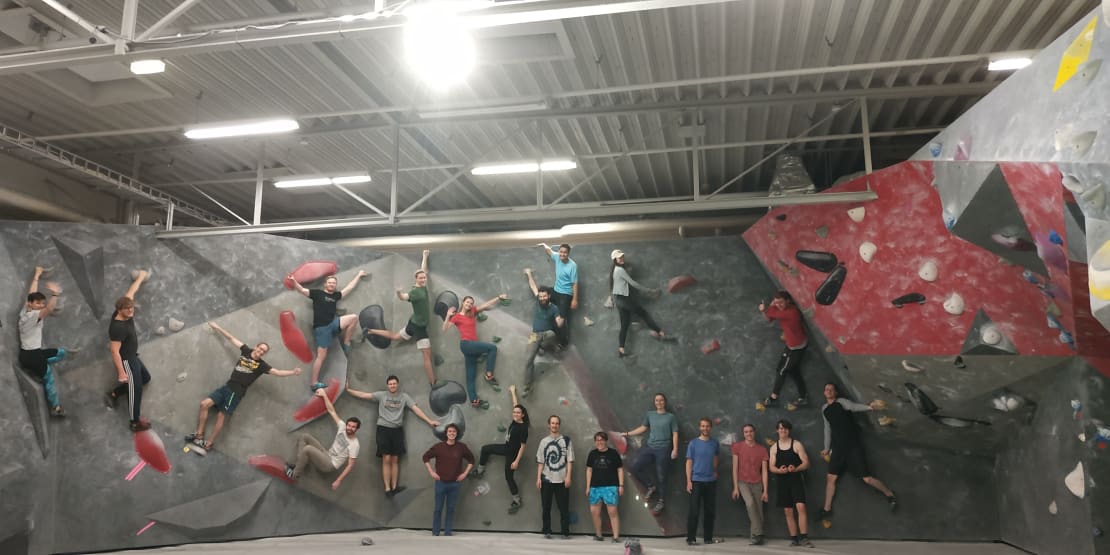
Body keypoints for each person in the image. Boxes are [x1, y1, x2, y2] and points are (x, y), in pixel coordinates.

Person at [186, 322, 302, 451]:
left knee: (221, 415)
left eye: (264, 351)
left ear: (264, 354)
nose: (261, 351)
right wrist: (218, 327)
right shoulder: (246, 350)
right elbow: (232, 338)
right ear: (256, 346)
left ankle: (209, 444)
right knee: (204, 404)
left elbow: (278, 372)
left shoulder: (262, 365)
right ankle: (199, 436)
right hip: (226, 387)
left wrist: (292, 372)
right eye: (261, 348)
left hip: (236, 393)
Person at [347, 374, 439, 497]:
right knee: (387, 459)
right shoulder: (382, 395)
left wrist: (430, 421)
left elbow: (416, 409)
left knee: (395, 460)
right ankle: (387, 489)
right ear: (387, 385)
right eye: (390, 384)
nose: (392, 385)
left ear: (397, 384)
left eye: (394, 383)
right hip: (383, 429)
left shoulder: (404, 397)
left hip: (397, 430)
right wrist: (348, 390)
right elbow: (364, 395)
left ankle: (395, 487)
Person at [818, 382, 897, 518]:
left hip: (852, 446)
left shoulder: (842, 402)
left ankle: (890, 495)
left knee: (866, 479)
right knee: (831, 478)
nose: (829, 391)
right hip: (837, 448)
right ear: (824, 393)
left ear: (835, 393)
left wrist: (869, 407)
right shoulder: (824, 408)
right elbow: (827, 429)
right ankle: (826, 509)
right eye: (826, 389)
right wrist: (826, 448)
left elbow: (853, 407)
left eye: (831, 389)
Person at [288, 269, 368, 391]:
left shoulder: (335, 296)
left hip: (333, 323)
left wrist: (358, 275)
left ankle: (346, 342)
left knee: (353, 318)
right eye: (330, 282)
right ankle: (314, 383)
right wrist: (294, 282)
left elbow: (349, 288)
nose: (332, 284)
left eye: (334, 283)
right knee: (321, 356)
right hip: (322, 329)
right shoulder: (318, 294)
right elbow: (302, 290)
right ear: (326, 284)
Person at [368, 250, 436, 385]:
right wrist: (399, 292)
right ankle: (433, 383)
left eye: (424, 278)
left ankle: (370, 331)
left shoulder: (422, 286)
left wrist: (424, 256)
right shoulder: (415, 292)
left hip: (413, 322)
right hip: (419, 328)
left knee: (395, 337)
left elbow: (423, 270)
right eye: (421, 278)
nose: (423, 279)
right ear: (416, 279)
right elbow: (404, 297)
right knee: (427, 355)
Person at [105, 269, 152, 432]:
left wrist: (140, 277)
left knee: (145, 378)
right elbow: (114, 351)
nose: (131, 311)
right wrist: (121, 372)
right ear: (119, 310)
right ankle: (134, 422)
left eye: (132, 308)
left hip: (133, 355)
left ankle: (114, 393)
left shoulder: (126, 309)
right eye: (128, 310)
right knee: (136, 388)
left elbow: (131, 291)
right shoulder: (117, 328)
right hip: (126, 360)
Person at [284, 389, 359, 491]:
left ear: (356, 429)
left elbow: (350, 465)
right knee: (305, 436)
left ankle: (295, 475)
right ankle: (300, 463)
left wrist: (338, 481)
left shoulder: (354, 444)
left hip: (329, 465)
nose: (350, 428)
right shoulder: (342, 427)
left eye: (353, 427)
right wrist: (324, 395)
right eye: (349, 425)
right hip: (326, 454)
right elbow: (331, 411)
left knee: (308, 449)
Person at [443, 293, 507, 410]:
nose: (469, 304)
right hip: (466, 344)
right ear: (463, 303)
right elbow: (445, 329)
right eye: (467, 302)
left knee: (470, 376)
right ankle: (489, 374)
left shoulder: (472, 312)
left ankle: (474, 400)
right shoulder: (456, 316)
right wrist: (448, 316)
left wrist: (498, 298)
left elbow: (485, 305)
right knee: (492, 348)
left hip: (471, 348)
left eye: (471, 303)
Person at [18, 266, 67, 417]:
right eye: (38, 303)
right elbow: (49, 309)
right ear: (31, 304)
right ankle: (56, 407)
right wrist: (55, 294)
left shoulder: (25, 309)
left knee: (61, 353)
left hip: (33, 352)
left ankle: (39, 367)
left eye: (42, 303)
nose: (41, 306)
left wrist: (37, 275)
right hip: (31, 356)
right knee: (49, 378)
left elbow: (31, 294)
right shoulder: (33, 316)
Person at [473, 384, 529, 514]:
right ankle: (480, 470)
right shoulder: (515, 421)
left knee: (508, 478)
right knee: (485, 449)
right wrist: (513, 392)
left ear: (523, 415)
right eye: (514, 412)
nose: (515, 414)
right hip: (506, 447)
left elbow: (523, 446)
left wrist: (516, 461)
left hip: (512, 454)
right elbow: (516, 404)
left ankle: (517, 500)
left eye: (518, 413)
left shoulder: (523, 428)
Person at [623, 393, 678, 515]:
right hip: (649, 447)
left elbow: (675, 434)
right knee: (634, 466)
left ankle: (661, 501)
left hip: (663, 450)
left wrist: (675, 449)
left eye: (661, 400)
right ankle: (650, 486)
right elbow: (643, 428)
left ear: (665, 402)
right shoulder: (650, 415)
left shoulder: (671, 417)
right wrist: (626, 434)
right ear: (655, 402)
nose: (659, 402)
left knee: (662, 476)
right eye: (657, 400)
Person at [608, 249, 665, 357]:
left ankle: (621, 350)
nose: (622, 259)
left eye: (622, 257)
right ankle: (660, 332)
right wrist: (649, 291)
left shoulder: (616, 270)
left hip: (619, 301)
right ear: (615, 260)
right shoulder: (619, 270)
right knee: (643, 313)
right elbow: (633, 283)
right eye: (619, 257)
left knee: (624, 325)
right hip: (624, 300)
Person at [422, 423, 475, 536]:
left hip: (454, 484)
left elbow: (472, 460)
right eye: (450, 431)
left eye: (454, 432)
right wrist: (431, 472)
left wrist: (465, 474)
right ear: (446, 433)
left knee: (450, 509)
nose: (452, 433)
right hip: (440, 483)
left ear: (457, 434)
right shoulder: (438, 447)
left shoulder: (461, 447)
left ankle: (447, 531)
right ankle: (436, 532)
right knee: (438, 509)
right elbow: (425, 457)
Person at [759, 290, 809, 408]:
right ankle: (803, 397)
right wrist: (766, 310)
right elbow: (768, 318)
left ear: (788, 301)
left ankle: (773, 398)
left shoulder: (791, 312)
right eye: (777, 303)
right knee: (792, 370)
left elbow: (771, 313)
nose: (779, 305)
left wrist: (768, 307)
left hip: (795, 347)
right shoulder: (783, 310)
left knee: (782, 370)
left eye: (781, 303)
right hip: (794, 343)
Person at [769, 419, 813, 548]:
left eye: (785, 428)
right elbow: (771, 467)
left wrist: (796, 468)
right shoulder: (773, 448)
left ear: (789, 430)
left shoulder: (796, 444)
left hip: (796, 480)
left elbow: (806, 463)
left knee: (800, 507)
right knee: (788, 510)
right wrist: (779, 471)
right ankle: (794, 539)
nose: (783, 430)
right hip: (782, 482)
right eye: (781, 428)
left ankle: (804, 538)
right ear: (777, 430)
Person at [522, 271, 565, 397]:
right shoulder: (538, 300)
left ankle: (551, 346)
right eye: (540, 297)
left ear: (549, 296)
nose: (542, 298)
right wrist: (529, 274)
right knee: (528, 360)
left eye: (544, 296)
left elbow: (558, 323)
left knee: (552, 334)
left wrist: (561, 320)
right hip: (535, 335)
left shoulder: (554, 309)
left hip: (547, 334)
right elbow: (533, 287)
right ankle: (527, 386)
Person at [536, 414, 574, 539]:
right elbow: (540, 461)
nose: (554, 425)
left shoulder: (566, 440)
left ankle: (565, 532)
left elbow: (569, 460)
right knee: (546, 507)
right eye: (552, 423)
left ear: (559, 425)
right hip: (546, 479)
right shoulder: (543, 441)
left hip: (562, 479)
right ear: (549, 425)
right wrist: (538, 478)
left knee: (564, 508)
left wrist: (568, 477)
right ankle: (547, 530)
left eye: (557, 423)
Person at [731, 424, 769, 546]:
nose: (749, 434)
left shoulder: (762, 449)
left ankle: (755, 536)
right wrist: (736, 487)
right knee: (750, 504)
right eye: (746, 432)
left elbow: (764, 471)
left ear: (754, 432)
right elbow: (734, 468)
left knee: (759, 511)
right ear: (743, 434)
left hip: (757, 483)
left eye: (751, 431)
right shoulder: (737, 447)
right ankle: (759, 534)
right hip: (743, 483)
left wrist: (765, 490)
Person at [685, 417, 720, 546]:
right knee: (694, 511)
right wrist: (689, 481)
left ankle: (708, 538)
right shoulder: (693, 443)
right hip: (696, 481)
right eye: (703, 426)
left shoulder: (715, 443)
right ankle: (691, 538)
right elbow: (689, 462)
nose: (705, 428)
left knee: (709, 511)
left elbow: (716, 458)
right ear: (700, 427)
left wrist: (715, 470)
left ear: (711, 427)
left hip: (710, 481)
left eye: (707, 426)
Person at [536, 242, 577, 347]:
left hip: (565, 295)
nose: (562, 254)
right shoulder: (557, 257)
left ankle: (564, 342)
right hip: (556, 291)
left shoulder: (572, 266)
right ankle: (547, 327)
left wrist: (574, 299)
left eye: (565, 253)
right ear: (559, 252)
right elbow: (549, 251)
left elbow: (575, 283)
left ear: (568, 253)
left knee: (561, 322)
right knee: (541, 294)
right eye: (561, 252)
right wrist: (544, 244)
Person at [586, 431, 624, 543]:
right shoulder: (592, 454)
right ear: (595, 442)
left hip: (611, 487)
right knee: (594, 512)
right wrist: (588, 486)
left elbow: (620, 469)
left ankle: (616, 536)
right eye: (597, 440)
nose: (599, 442)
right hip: (595, 487)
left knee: (613, 512)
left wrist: (621, 485)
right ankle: (599, 535)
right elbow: (589, 470)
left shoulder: (613, 453)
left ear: (606, 441)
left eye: (601, 440)